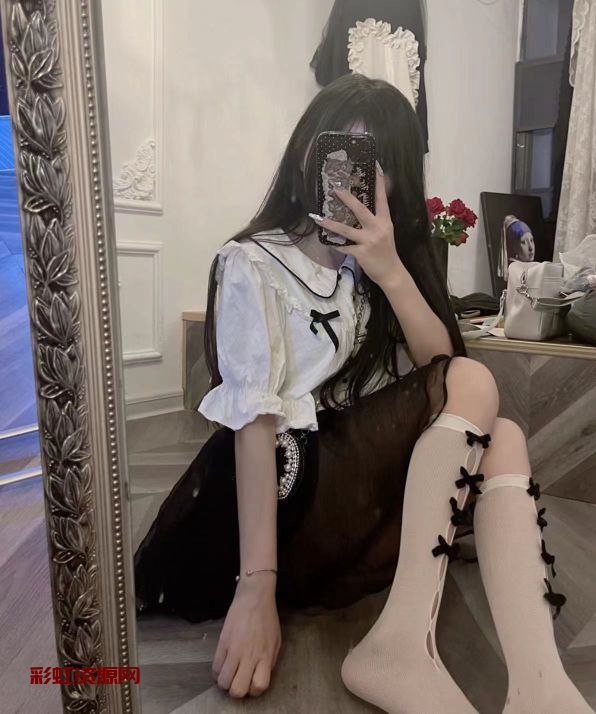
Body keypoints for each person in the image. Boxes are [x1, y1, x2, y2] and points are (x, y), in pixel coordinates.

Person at [133, 74, 592, 713]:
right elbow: (255, 425)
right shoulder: (251, 263)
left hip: (346, 492)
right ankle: (401, 644)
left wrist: (390, 268)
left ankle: (539, 686)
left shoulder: (376, 264)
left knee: (503, 434)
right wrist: (255, 586)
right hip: (287, 501)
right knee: (475, 388)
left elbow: (442, 372)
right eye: (337, 152)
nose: (349, 178)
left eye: (374, 163)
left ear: (396, 181)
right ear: (306, 152)